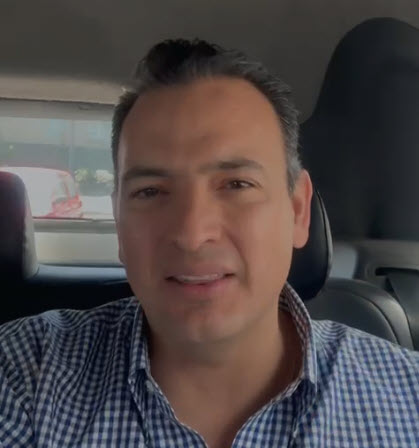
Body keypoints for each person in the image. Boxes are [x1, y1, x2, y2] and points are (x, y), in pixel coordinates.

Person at [0, 39, 418, 448]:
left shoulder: (408, 401)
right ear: (119, 222)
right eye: (150, 191)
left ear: (297, 211)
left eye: (237, 184)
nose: (192, 234)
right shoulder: (25, 377)